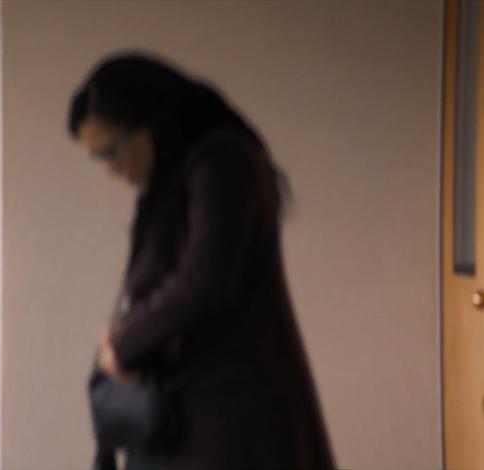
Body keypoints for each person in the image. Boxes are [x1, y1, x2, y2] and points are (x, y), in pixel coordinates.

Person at [69, 55, 334, 469]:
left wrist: (122, 346)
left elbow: (205, 279)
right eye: (98, 158)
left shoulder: (223, 162)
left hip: (228, 420)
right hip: (179, 416)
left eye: (111, 151)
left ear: (149, 122)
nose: (111, 169)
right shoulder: (169, 185)